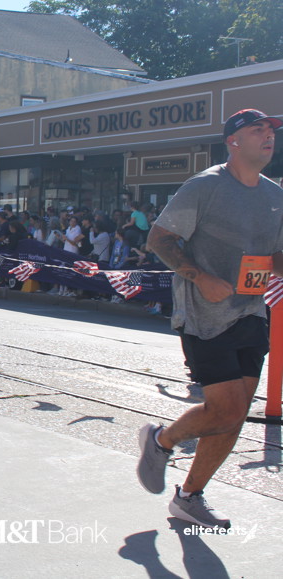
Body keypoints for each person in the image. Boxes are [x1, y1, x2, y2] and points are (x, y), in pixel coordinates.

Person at [137, 108, 283, 530]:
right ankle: (161, 440)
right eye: (257, 130)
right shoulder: (206, 185)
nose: (268, 136)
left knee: (234, 414)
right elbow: (160, 239)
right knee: (227, 408)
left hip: (251, 311)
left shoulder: (274, 195)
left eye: (271, 130)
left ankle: (189, 497)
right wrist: (201, 277)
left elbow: (274, 257)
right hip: (204, 315)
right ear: (233, 141)